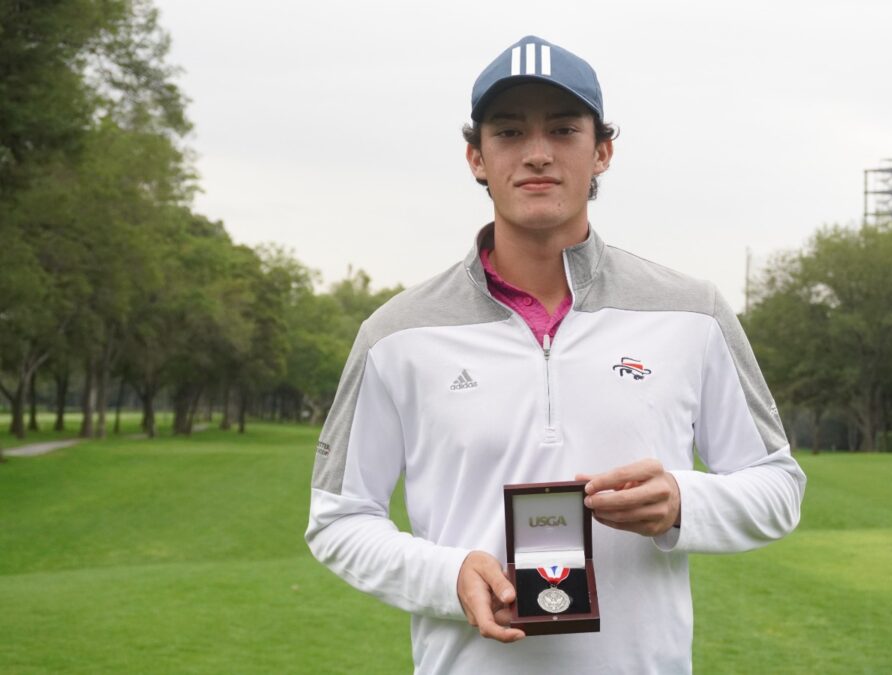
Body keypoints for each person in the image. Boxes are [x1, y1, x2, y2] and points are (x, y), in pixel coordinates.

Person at [305, 35, 806, 674]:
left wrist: (684, 502)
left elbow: (778, 486)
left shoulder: (692, 312)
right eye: (509, 133)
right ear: (476, 157)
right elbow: (338, 520)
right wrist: (448, 573)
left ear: (602, 152)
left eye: (563, 130)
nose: (537, 154)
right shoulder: (395, 333)